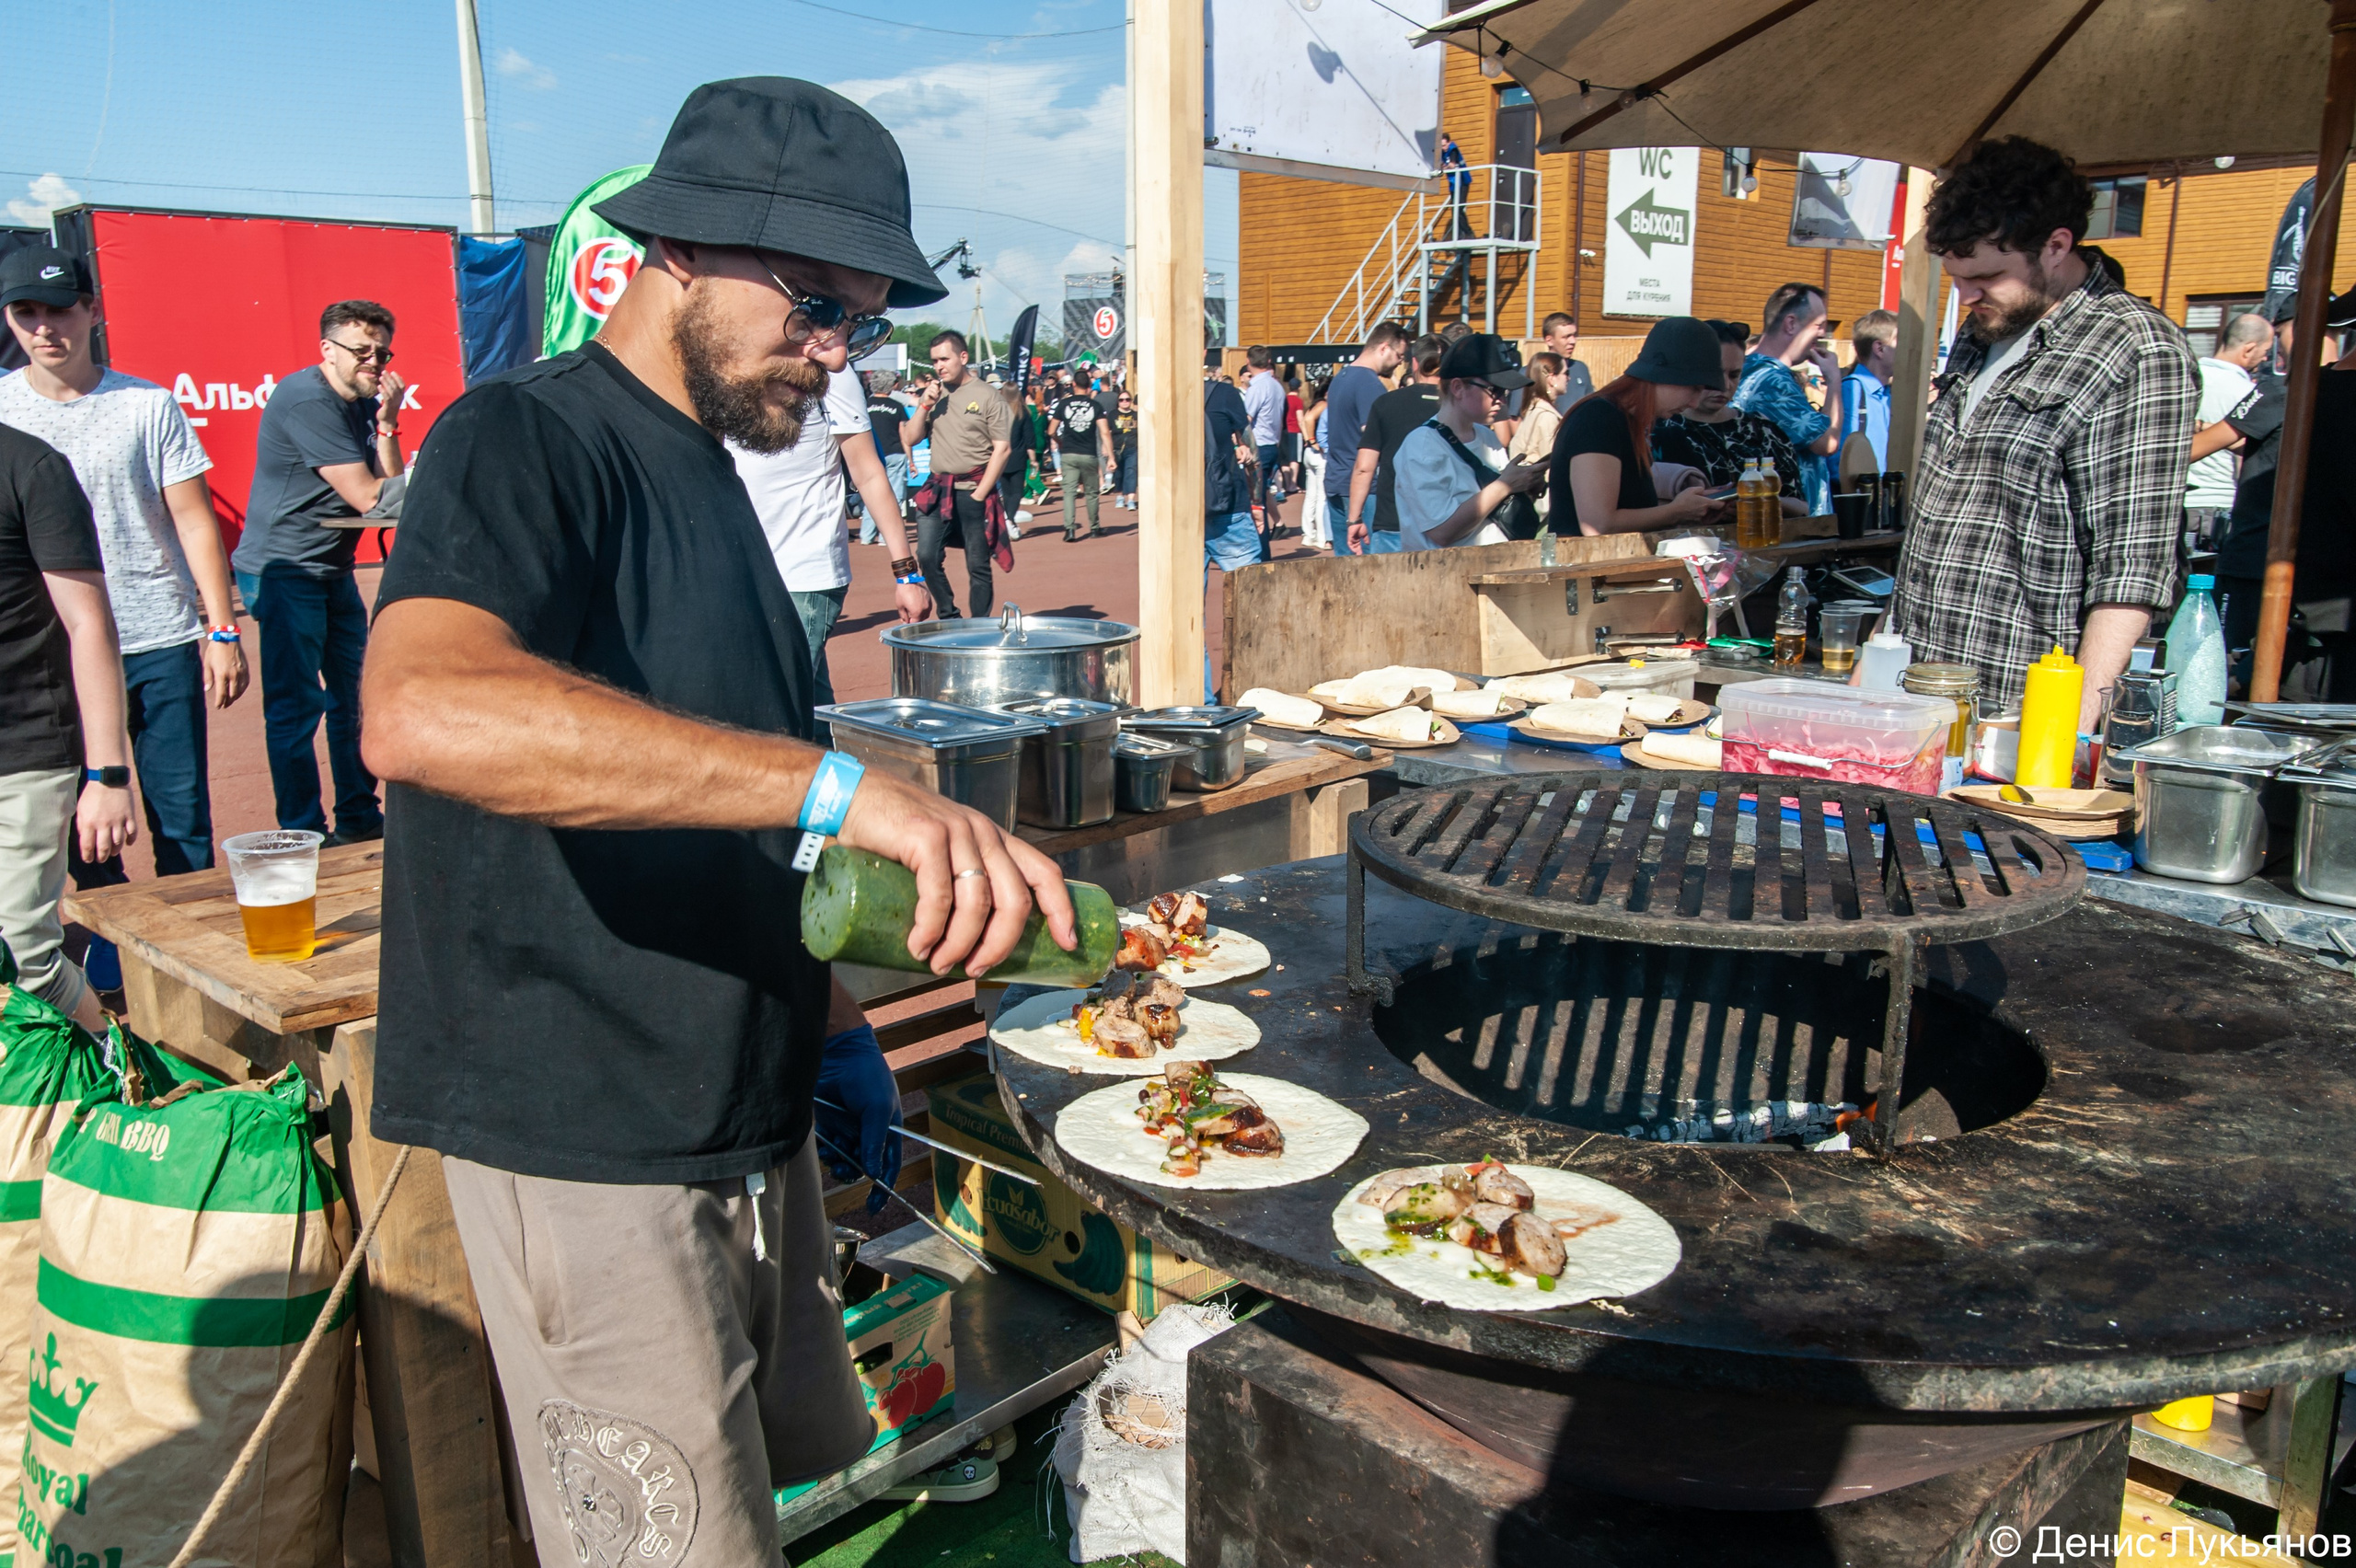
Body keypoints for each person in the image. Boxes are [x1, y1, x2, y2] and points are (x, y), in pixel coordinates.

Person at [357, 78, 1080, 1561]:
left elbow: (723, 793)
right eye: (815, 304)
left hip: (733, 1103)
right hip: (587, 1126)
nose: (836, 351)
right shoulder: (523, 438)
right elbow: (424, 712)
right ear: (678, 249)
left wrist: (824, 1023)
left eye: (861, 321)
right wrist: (840, 788)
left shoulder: (714, 469)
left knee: (766, 1487)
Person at [1886, 135, 2195, 723]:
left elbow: (2131, 566)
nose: (1967, 295)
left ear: (2057, 246)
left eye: (1987, 276)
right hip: (1917, 690)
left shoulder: (2136, 347)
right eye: (1956, 277)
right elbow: (1937, 528)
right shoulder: (1982, 333)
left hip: (2021, 706)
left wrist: (2069, 737)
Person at [0, 246, 248, 886]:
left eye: (60, 310)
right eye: (26, 313)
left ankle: (190, 953)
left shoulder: (146, 405)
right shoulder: (1, 413)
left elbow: (195, 521)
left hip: (157, 639)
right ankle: (110, 957)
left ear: (91, 310)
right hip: (55, 654)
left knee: (182, 818)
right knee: (84, 824)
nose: (45, 328)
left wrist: (221, 629)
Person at [233, 299, 404, 844]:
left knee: (353, 698)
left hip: (329, 569)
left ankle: (358, 817)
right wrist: (443, 476)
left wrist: (387, 423)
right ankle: (302, 833)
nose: (374, 362)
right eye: (362, 351)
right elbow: (367, 496)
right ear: (327, 350)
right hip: (283, 572)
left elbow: (388, 493)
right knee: (296, 708)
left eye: (382, 352)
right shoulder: (308, 398)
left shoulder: (358, 398)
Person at [0, 424, 133, 1033]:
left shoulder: (30, 467)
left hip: (23, 752)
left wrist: (107, 774)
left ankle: (121, 1079)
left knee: (25, 964)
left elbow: (89, 626)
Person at [731, 362, 931, 708]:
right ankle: (834, 759)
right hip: (742, 570)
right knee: (809, 708)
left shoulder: (832, 374)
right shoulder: (730, 364)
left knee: (772, 707)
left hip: (804, 576)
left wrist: (907, 575)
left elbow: (869, 473)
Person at [2206, 292, 2356, 693]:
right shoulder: (2289, 392)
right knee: (2227, 675)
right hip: (2288, 594)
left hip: (2301, 605)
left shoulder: (2302, 391)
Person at [1550, 317, 1728, 536]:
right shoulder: (1599, 417)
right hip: (1581, 568)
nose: (1694, 402)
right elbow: (1598, 525)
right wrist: (1676, 512)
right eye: (1693, 387)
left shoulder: (1626, 420)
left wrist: (1692, 510)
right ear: (1661, 375)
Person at [1393, 335, 1549, 550]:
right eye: (1494, 390)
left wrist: (1526, 488)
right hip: (1444, 577)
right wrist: (1505, 485)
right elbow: (1442, 531)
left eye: (1504, 392)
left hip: (1494, 570)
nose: (1502, 400)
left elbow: (1495, 512)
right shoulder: (1422, 446)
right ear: (1457, 388)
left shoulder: (1487, 436)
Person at [902, 329, 1012, 618]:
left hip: (973, 489)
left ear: (962, 357)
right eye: (935, 361)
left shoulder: (988, 396)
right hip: (938, 489)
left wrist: (979, 494)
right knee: (926, 555)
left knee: (977, 565)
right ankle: (949, 615)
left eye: (944, 359)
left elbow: (1002, 449)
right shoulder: (934, 396)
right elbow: (911, 438)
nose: (939, 366)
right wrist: (924, 404)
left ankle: (979, 627)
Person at [1653, 319, 1808, 509]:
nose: (1724, 385)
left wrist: (1756, 502)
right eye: (1714, 374)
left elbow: (1800, 505)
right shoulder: (1656, 429)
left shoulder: (1763, 431)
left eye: (1734, 375)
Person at [1729, 282, 1843, 516]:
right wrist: (1833, 380)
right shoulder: (1773, 381)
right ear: (1791, 324)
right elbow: (1827, 443)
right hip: (1787, 522)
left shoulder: (1745, 368)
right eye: (1818, 325)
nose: (1822, 334)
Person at [1346, 332, 1445, 555]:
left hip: (1393, 520)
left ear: (1415, 363)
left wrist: (1354, 518)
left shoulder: (1385, 404)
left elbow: (1364, 467)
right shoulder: (1458, 407)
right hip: (1447, 521)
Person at [2185, 311, 2272, 549]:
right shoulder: (2249, 394)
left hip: (2176, 499)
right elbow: (2252, 457)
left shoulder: (2187, 377)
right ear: (2248, 349)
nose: (2266, 359)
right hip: (2216, 504)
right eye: (2265, 352)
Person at [1322, 322, 1406, 550]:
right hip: (1362, 487)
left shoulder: (1341, 377)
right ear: (1384, 348)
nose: (1401, 362)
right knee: (1370, 565)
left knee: (1345, 562)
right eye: (1400, 355)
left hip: (1336, 480)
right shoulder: (1370, 384)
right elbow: (1373, 442)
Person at [1506, 352, 1565, 528]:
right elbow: (1552, 469)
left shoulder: (1534, 410)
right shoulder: (1547, 418)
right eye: (1565, 373)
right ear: (1552, 378)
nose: (1568, 378)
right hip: (1541, 510)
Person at [1049, 377, 1112, 540]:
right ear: (1089, 386)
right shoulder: (1095, 405)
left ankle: (1070, 529)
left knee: (1069, 493)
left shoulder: (1063, 404)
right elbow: (1105, 432)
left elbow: (1050, 431)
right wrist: (1111, 456)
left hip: (1069, 453)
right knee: (1091, 493)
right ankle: (1094, 528)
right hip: (1088, 453)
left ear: (1074, 384)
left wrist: (1059, 441)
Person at [1842, 308, 1899, 472]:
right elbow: (1840, 458)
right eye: (1901, 342)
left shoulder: (1888, 394)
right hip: (1860, 492)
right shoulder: (1852, 390)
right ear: (1879, 348)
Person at [859, 369, 910, 548]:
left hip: (872, 454)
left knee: (871, 494)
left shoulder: (864, 404)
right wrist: (910, 459)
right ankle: (885, 537)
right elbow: (904, 435)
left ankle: (866, 535)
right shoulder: (896, 406)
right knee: (894, 496)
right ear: (891, 386)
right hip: (895, 453)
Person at [1242, 346, 1287, 531]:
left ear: (1248, 362)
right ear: (1268, 361)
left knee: (1255, 504)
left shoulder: (1257, 387)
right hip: (1272, 444)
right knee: (1261, 498)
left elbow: (1246, 420)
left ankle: (1260, 551)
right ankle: (1264, 545)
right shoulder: (1277, 386)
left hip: (1258, 445)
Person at [1299, 377, 1331, 548]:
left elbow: (1304, 420)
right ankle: (1321, 537)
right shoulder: (1324, 405)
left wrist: (1308, 440)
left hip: (1309, 454)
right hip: (1318, 455)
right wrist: (1312, 441)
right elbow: (1309, 419)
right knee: (1321, 498)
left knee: (1311, 496)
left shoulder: (1315, 403)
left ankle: (1308, 534)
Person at [1542, 313, 1596, 409]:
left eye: (1574, 335)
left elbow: (1591, 407)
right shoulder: (1532, 371)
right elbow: (1516, 418)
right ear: (1549, 340)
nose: (1573, 341)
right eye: (1566, 337)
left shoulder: (1581, 368)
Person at [1110, 388, 1138, 511]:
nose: (1125, 402)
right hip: (1117, 449)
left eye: (1127, 399)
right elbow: (1108, 432)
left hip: (1132, 448)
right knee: (1119, 474)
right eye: (1122, 400)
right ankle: (1120, 496)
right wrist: (1107, 449)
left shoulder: (1136, 415)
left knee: (1131, 472)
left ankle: (1131, 499)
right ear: (1118, 402)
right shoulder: (1112, 415)